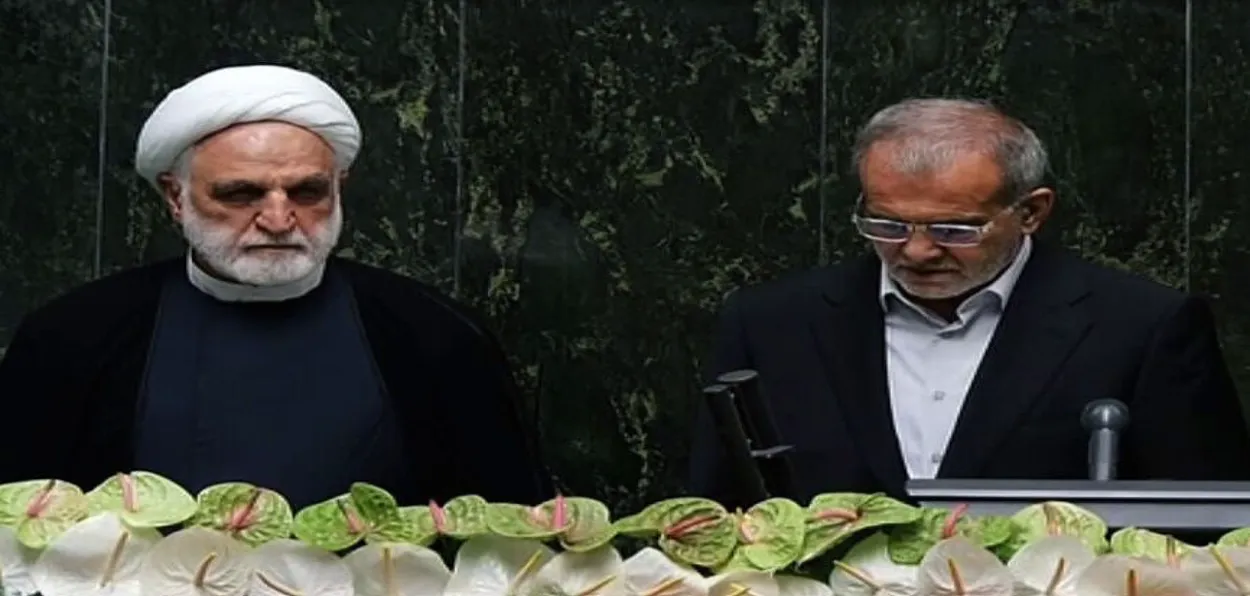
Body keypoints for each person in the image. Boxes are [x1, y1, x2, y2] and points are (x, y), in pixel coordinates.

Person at [0, 64, 552, 510]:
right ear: (176, 198)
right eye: (242, 194)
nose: (279, 217)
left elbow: (510, 531)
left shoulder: (436, 335)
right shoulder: (71, 338)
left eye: (307, 191)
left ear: (340, 189)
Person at [688, 98, 1250, 508]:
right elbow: (710, 515)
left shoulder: (1142, 326)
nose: (916, 250)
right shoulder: (772, 323)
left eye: (954, 228)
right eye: (885, 223)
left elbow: (1208, 522)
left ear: (1031, 212)